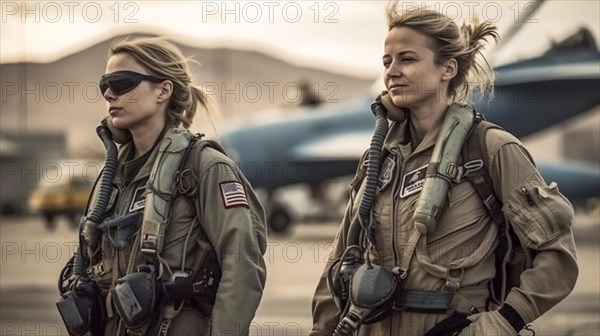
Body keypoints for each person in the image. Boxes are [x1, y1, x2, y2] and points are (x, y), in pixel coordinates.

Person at [310, 2, 578, 336]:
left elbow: (558, 255)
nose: (392, 71)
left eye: (407, 59)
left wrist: (506, 319)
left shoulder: (490, 149)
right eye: (386, 61)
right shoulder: (377, 159)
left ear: (447, 68)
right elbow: (336, 263)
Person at [58, 36, 267, 336]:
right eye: (104, 84)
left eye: (122, 82)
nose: (108, 93)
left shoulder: (204, 167)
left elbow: (243, 264)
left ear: (164, 90)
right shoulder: (114, 178)